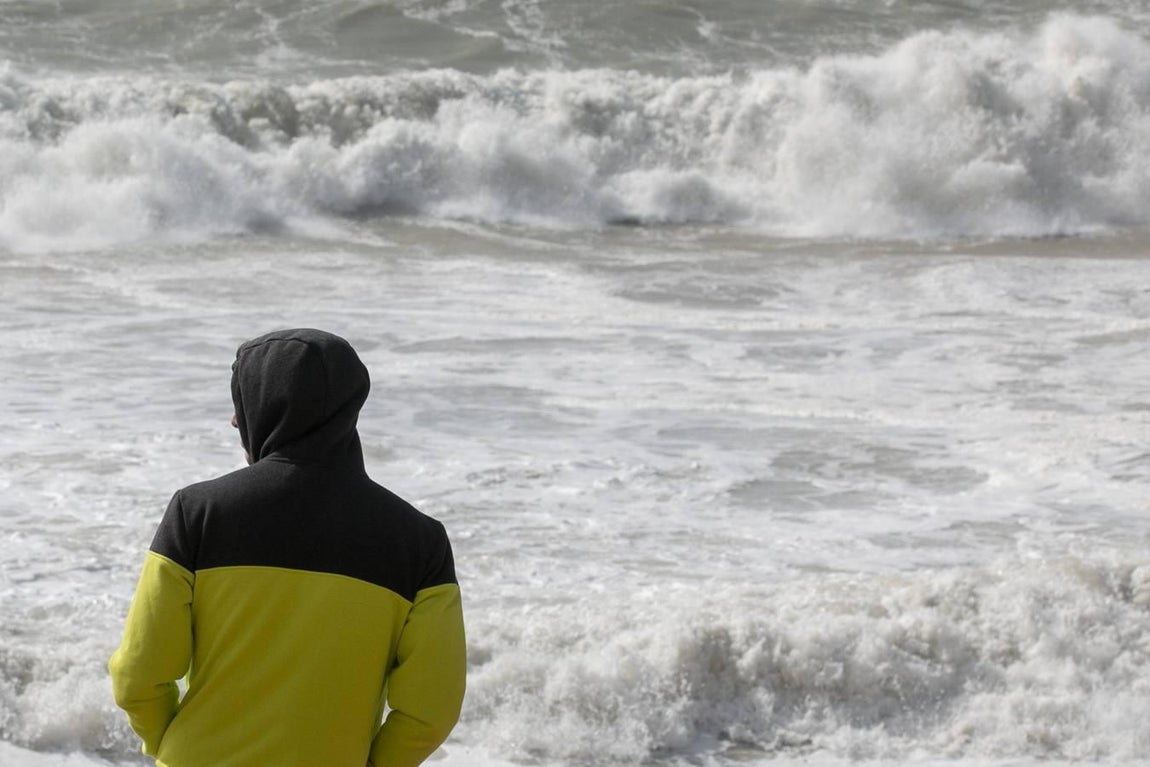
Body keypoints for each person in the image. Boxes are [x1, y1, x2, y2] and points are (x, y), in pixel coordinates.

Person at [109, 328, 466, 767]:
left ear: (269, 404)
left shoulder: (198, 513)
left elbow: (137, 677)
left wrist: (171, 744)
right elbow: (432, 710)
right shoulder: (419, 542)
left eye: (244, 400)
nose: (236, 420)